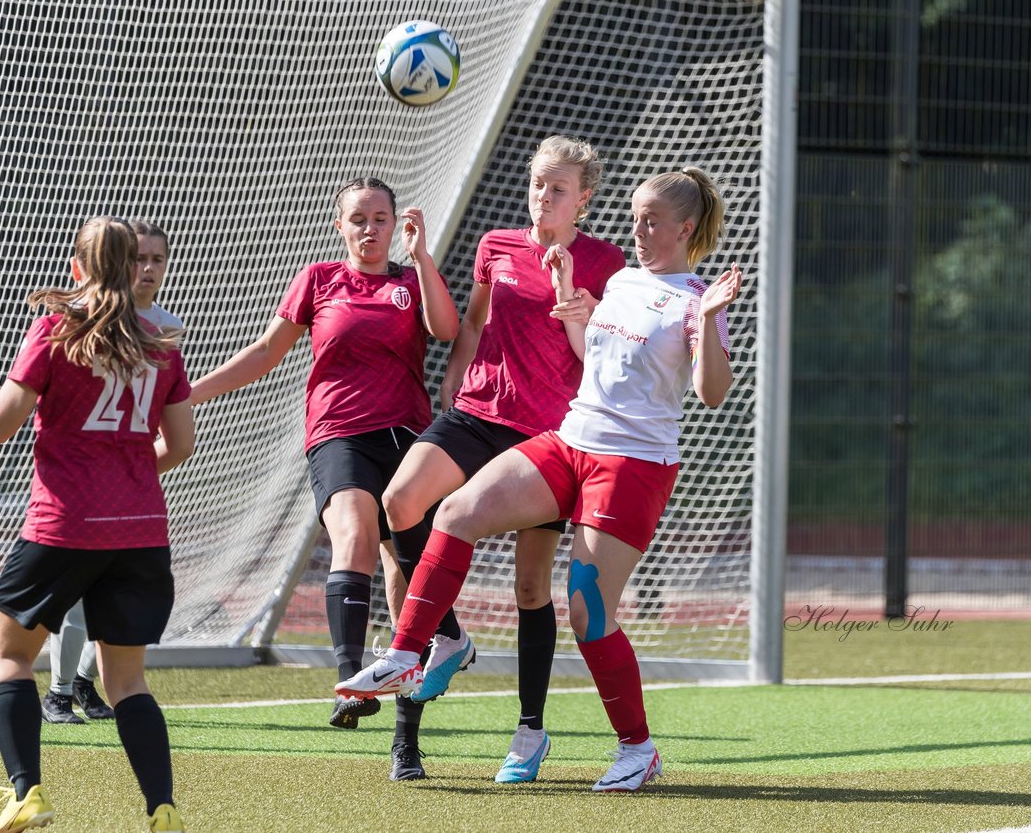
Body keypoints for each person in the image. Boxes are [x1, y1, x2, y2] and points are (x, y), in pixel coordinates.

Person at [337, 168, 743, 793]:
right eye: (634, 215)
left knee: (589, 615)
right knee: (454, 513)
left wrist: (711, 320)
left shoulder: (696, 297)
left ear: (685, 228)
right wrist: (574, 304)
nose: (636, 228)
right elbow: (595, 362)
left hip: (633, 464)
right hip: (570, 440)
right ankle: (407, 653)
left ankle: (638, 748)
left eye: (651, 220)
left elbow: (710, 392)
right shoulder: (624, 280)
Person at [188, 178, 459, 781]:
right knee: (355, 534)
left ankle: (405, 739)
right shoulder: (318, 280)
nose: (370, 228)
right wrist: (189, 393)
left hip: (408, 439)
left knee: (404, 576)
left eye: (381, 218)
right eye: (358, 218)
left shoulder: (411, 282)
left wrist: (421, 255)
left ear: (397, 224)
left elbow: (445, 330)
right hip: (338, 435)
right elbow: (266, 351)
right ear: (340, 226)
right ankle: (349, 682)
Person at [0, 216, 195, 831]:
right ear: (134, 267)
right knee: (127, 681)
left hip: (64, 525)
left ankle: (27, 794)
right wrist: (126, 472)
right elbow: (180, 446)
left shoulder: (55, 331)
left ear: (77, 269)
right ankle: (162, 811)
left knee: (9, 655)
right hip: (140, 531)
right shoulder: (161, 344)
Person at [379, 134, 625, 784]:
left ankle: (530, 730)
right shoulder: (496, 246)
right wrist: (454, 380)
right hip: (476, 414)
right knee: (400, 501)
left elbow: (600, 351)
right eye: (539, 181)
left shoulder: (606, 260)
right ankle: (450, 639)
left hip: (549, 436)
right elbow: (473, 325)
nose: (544, 194)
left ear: (584, 200)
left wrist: (577, 297)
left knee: (528, 587)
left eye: (559, 187)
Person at [42, 218, 182, 726]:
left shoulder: (167, 330)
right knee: (74, 598)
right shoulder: (74, 323)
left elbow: (178, 437)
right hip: (77, 490)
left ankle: (78, 680)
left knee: (117, 600)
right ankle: (57, 692)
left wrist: (134, 476)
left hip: (131, 494)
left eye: (156, 260)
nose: (146, 269)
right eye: (136, 258)